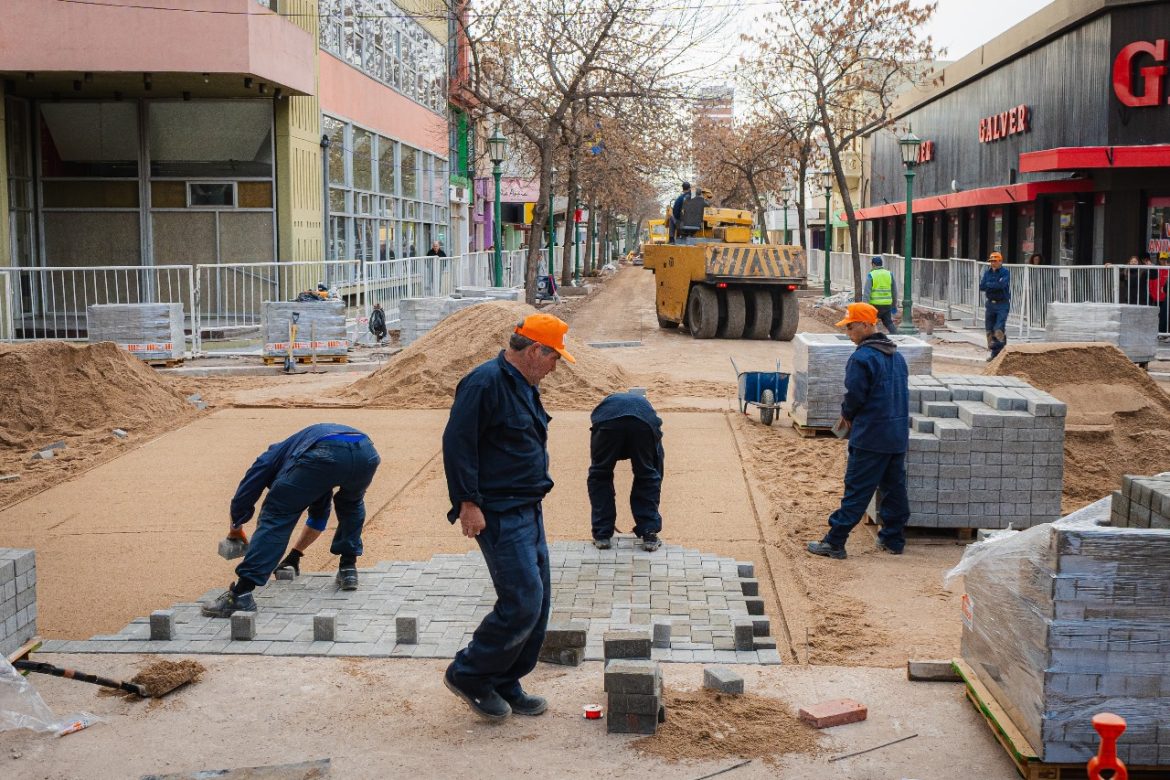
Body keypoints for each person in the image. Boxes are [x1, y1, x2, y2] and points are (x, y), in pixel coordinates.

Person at [441, 313, 575, 721]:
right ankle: (469, 673)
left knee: (539, 604)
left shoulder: (525, 385)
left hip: (528, 509)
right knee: (522, 601)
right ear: (535, 350)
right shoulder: (484, 383)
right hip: (498, 513)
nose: (556, 367)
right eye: (554, 358)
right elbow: (457, 444)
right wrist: (467, 503)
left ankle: (505, 679)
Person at [202, 424, 381, 617]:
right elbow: (319, 517)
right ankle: (348, 568)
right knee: (352, 504)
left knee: (276, 514)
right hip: (365, 451)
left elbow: (245, 492)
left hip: (326, 453)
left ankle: (240, 595)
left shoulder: (271, 457)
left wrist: (236, 526)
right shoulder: (310, 466)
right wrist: (295, 555)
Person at [807, 303, 910, 559]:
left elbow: (855, 396)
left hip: (871, 437)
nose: (848, 332)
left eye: (851, 327)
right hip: (896, 435)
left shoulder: (862, 358)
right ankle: (893, 540)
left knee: (857, 490)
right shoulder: (896, 356)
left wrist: (847, 416)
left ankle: (835, 541)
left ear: (866, 325)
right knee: (894, 490)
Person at [588, 392, 664, 552]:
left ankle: (602, 535)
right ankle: (649, 533)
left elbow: (597, 466)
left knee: (600, 474)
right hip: (643, 423)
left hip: (607, 422)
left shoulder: (608, 405)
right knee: (647, 474)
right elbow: (656, 471)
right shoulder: (646, 409)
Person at [979, 251, 1011, 360]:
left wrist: (990, 285)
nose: (993, 263)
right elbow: (982, 286)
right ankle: (994, 353)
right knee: (989, 330)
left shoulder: (1005, 272)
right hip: (990, 304)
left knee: (998, 329)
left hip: (1002, 304)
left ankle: (1001, 351)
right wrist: (994, 284)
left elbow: (1001, 285)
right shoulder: (987, 273)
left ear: (1000, 261)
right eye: (991, 261)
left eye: (995, 261)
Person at [863, 256, 898, 333]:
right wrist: (894, 305)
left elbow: (867, 293)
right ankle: (897, 336)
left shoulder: (871, 275)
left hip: (874, 305)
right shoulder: (889, 274)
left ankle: (873, 338)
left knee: (871, 323)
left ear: (873, 264)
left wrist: (865, 307)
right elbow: (894, 291)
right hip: (887, 304)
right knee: (888, 322)